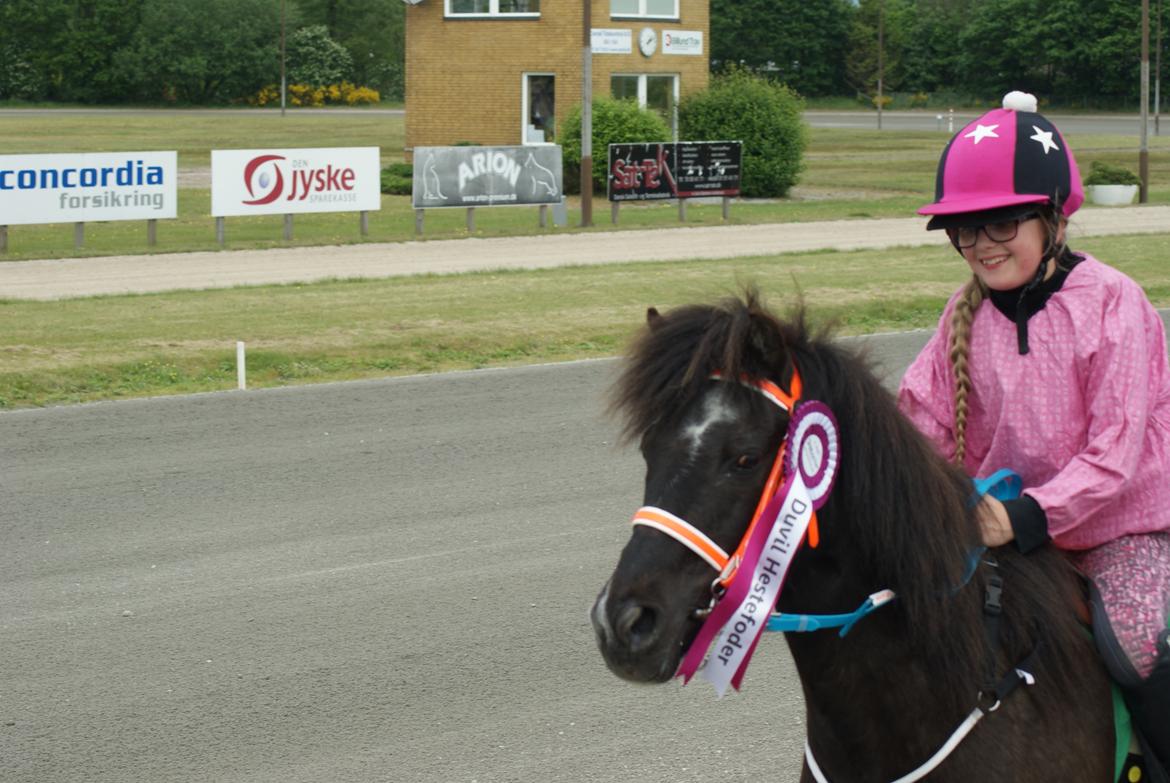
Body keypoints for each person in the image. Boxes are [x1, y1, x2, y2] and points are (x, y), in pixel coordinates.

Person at [896, 91, 1170, 779]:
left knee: (1134, 641)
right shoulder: (961, 316)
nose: (980, 244)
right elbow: (920, 423)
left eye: (1001, 223)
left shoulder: (1113, 303)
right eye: (964, 229)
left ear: (1051, 217)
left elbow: (1114, 455)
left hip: (1119, 529)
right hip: (1006, 530)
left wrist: (1022, 516)